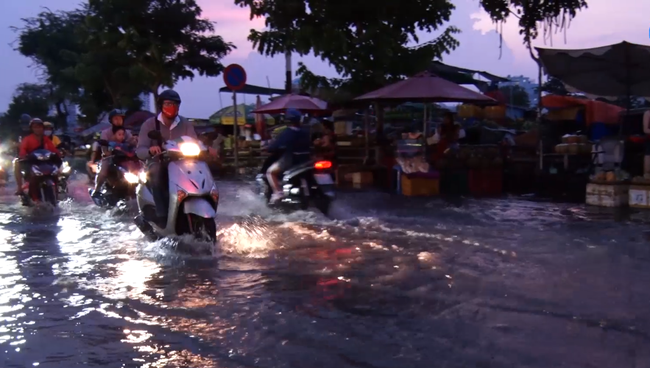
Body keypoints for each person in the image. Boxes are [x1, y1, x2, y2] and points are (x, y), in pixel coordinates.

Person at [136, 89, 215, 224]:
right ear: (161, 105)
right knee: (155, 172)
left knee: (203, 169)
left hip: (182, 162)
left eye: (175, 104)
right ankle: (161, 214)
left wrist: (206, 148)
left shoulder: (185, 123)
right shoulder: (149, 124)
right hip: (158, 161)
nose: (172, 107)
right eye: (168, 104)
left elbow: (194, 141)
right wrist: (150, 150)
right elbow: (140, 149)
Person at [266, 108, 311, 203]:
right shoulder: (306, 131)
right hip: (306, 159)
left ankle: (278, 192)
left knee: (270, 172)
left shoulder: (287, 132)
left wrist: (270, 148)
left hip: (292, 159)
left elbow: (275, 146)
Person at [14, 118, 60, 196]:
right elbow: (23, 150)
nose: (38, 129)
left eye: (39, 127)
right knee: (17, 163)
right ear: (32, 129)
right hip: (31, 161)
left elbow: (53, 149)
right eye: (35, 127)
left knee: (56, 170)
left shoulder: (45, 139)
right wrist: (24, 156)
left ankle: (57, 188)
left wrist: (58, 154)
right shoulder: (27, 139)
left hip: (44, 161)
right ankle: (19, 188)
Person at [90, 126, 130, 200]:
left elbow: (134, 149)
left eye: (123, 134)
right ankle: (97, 190)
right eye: (119, 134)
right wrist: (109, 152)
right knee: (103, 172)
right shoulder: (110, 143)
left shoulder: (127, 143)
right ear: (114, 135)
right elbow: (105, 151)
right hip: (111, 160)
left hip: (125, 162)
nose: (122, 136)